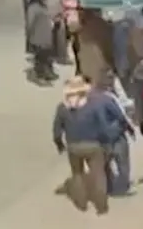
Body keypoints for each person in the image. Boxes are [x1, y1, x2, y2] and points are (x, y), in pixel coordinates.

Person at [53, 76, 110, 214]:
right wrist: (106, 142)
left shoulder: (62, 108)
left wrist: (59, 144)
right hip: (93, 145)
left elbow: (57, 130)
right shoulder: (92, 105)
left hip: (73, 146)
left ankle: (81, 203)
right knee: (98, 173)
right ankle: (101, 204)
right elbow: (103, 125)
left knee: (77, 173)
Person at [25, 0, 57, 83]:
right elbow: (30, 23)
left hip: (46, 36)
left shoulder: (43, 6)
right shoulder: (33, 8)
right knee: (40, 58)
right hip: (38, 37)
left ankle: (47, 73)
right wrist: (29, 36)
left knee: (46, 56)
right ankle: (40, 76)